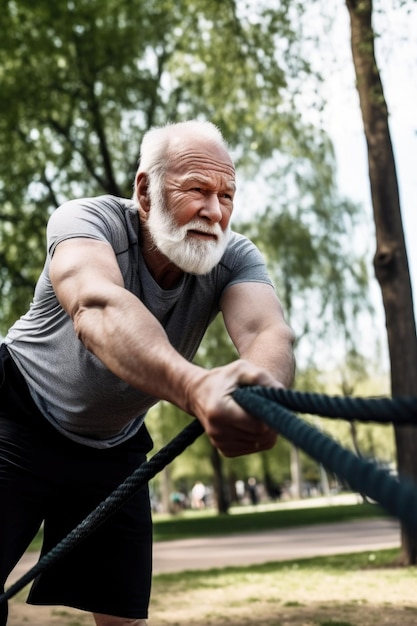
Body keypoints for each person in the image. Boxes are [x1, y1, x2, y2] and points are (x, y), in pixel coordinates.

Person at [0, 120, 295, 625]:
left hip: (113, 445)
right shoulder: (86, 222)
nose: (214, 211)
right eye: (197, 190)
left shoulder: (235, 256)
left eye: (226, 195)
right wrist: (195, 385)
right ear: (145, 190)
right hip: (14, 420)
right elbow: (98, 307)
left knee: (123, 617)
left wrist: (261, 391)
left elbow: (268, 333)